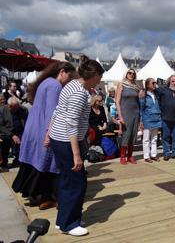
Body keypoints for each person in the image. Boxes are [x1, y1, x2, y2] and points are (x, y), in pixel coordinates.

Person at [48, 58, 104, 236]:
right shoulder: (79, 93)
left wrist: (48, 133)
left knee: (66, 180)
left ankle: (63, 219)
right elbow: (71, 123)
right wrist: (76, 155)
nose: (100, 80)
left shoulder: (73, 85)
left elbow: (58, 111)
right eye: (100, 77)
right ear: (93, 75)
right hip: (67, 141)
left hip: (59, 138)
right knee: (77, 183)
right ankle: (70, 224)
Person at [12, 62, 76, 210]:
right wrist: (50, 132)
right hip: (43, 129)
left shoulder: (45, 82)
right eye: (69, 76)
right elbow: (52, 112)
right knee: (48, 165)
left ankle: (38, 196)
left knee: (36, 164)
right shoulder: (55, 86)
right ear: (62, 72)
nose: (69, 80)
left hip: (33, 127)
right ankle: (46, 197)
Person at [155, 75, 175, 161]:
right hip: (165, 118)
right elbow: (152, 90)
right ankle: (166, 153)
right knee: (165, 137)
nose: (174, 83)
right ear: (169, 82)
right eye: (173, 81)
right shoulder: (163, 90)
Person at [115, 69, 141, 165]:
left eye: (133, 73)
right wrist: (120, 116)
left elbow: (138, 101)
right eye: (130, 73)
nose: (131, 74)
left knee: (133, 135)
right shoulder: (121, 84)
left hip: (135, 113)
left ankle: (130, 156)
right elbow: (117, 102)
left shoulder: (135, 86)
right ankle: (123, 156)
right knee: (126, 135)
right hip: (125, 113)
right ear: (126, 74)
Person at [139, 78, 162, 163]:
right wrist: (141, 121)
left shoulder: (156, 94)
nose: (155, 84)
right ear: (148, 85)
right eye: (153, 83)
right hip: (147, 119)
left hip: (156, 119)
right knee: (146, 139)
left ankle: (153, 155)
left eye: (155, 82)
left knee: (154, 138)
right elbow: (141, 109)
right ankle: (146, 156)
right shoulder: (143, 95)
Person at [7, 96, 28, 167]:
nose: (17, 108)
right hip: (8, 132)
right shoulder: (3, 110)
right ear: (9, 106)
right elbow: (1, 126)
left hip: (20, 130)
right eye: (15, 107)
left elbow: (26, 123)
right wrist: (12, 135)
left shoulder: (23, 110)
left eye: (17, 106)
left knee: (23, 140)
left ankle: (19, 160)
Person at [0, 93, 13, 171]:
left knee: (5, 150)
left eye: (3, 99)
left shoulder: (5, 108)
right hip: (3, 133)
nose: (2, 101)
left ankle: (4, 164)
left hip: (6, 133)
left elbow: (8, 122)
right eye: (0, 99)